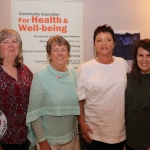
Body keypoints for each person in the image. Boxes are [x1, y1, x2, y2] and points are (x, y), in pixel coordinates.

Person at [76, 24, 130, 150]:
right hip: (94, 132)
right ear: (95, 45)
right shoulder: (85, 68)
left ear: (114, 44)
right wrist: (82, 124)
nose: (103, 43)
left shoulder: (122, 63)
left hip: (118, 132)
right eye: (99, 40)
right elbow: (79, 100)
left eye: (108, 39)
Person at [26, 35, 80, 150]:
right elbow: (35, 114)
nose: (60, 54)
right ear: (49, 55)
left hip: (70, 139)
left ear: (68, 54)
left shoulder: (73, 74)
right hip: (48, 142)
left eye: (63, 50)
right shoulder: (40, 75)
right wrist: (43, 142)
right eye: (55, 50)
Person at [0, 29, 33, 150]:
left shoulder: (25, 70)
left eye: (14, 41)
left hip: (25, 137)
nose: (11, 45)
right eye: (5, 42)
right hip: (3, 139)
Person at [125, 39, 150, 150]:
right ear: (135, 57)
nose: (144, 59)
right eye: (140, 55)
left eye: (149, 55)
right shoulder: (128, 78)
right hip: (129, 142)